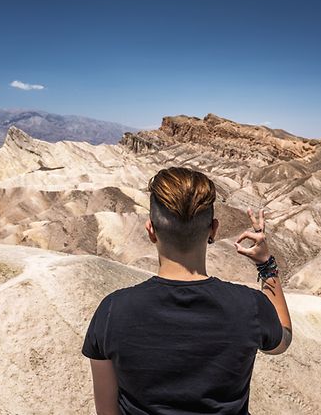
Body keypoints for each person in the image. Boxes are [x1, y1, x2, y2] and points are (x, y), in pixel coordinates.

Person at [82, 167, 293, 414]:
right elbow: (283, 340)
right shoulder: (249, 306)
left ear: (151, 230)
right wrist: (266, 265)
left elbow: (107, 411)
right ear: (213, 230)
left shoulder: (112, 310)